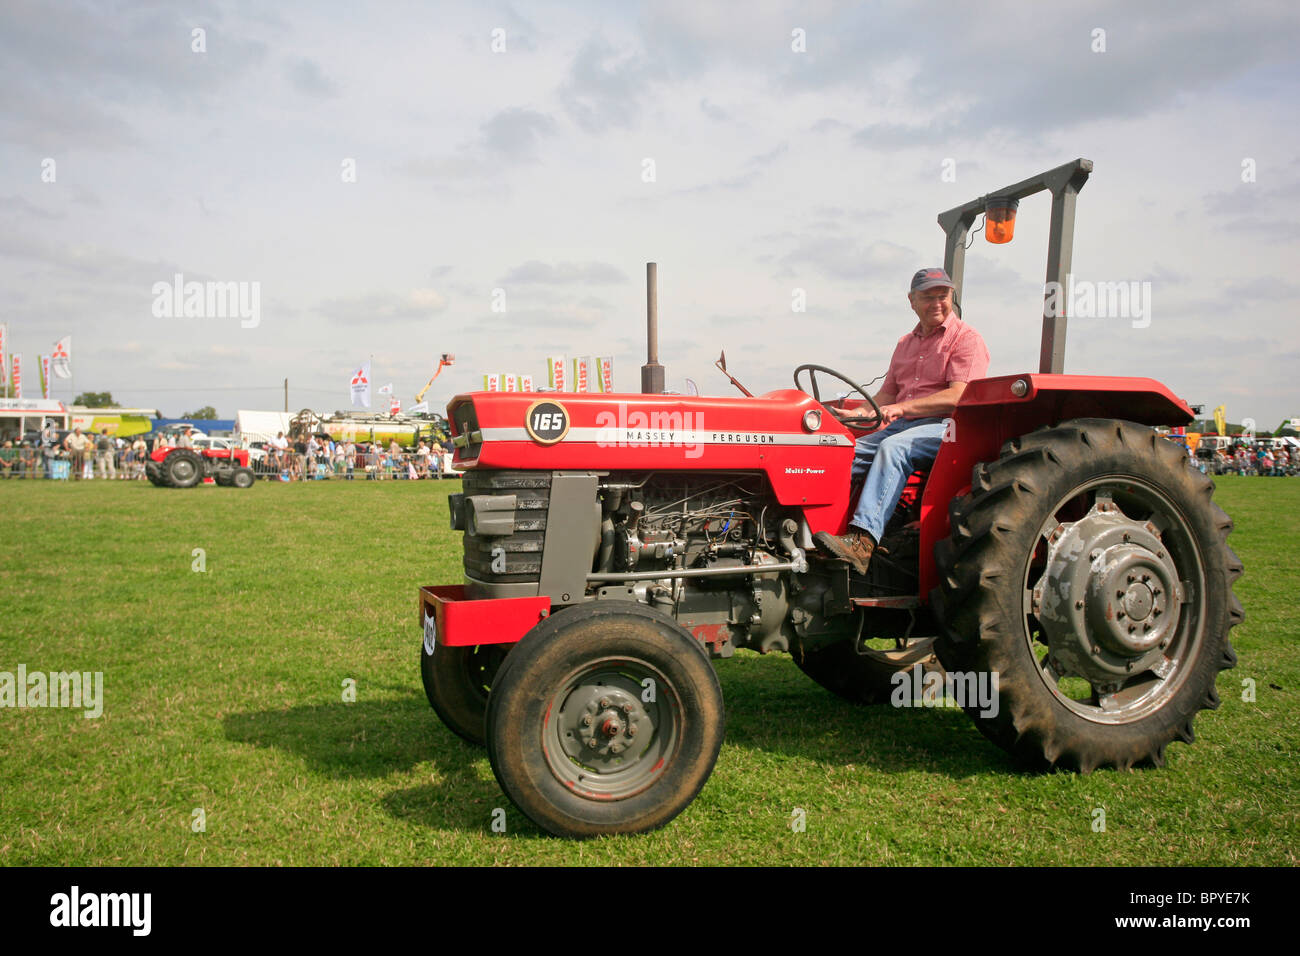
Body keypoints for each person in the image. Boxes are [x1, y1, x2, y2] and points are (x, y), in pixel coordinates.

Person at [815, 267, 990, 574]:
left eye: (943, 295)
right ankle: (811, 529)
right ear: (912, 301)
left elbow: (958, 396)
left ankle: (862, 543)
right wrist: (856, 415)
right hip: (904, 425)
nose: (937, 303)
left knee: (894, 449)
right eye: (928, 297)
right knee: (842, 454)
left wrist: (903, 409)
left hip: (947, 429)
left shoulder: (967, 339)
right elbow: (886, 396)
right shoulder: (905, 344)